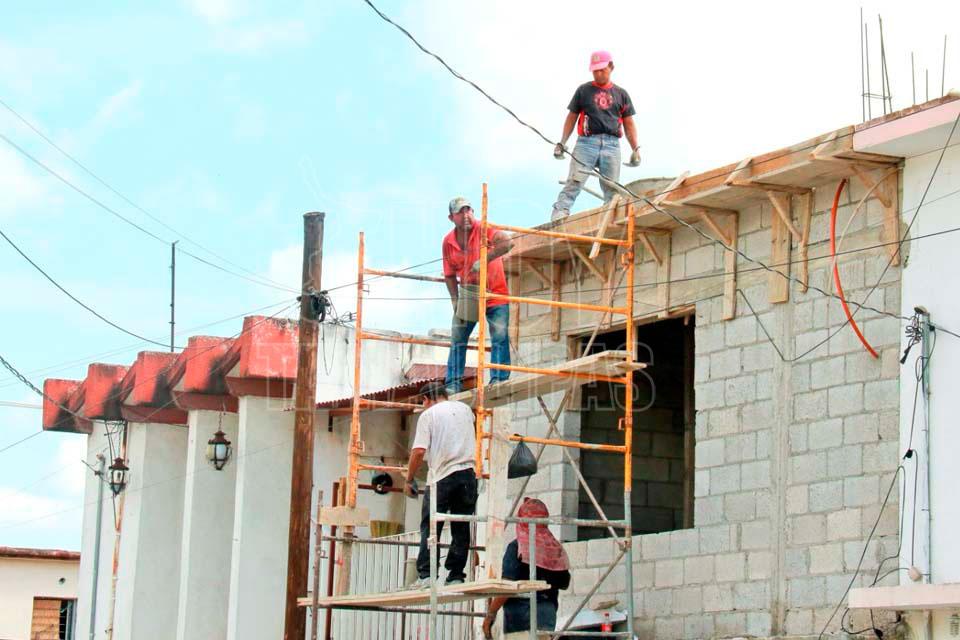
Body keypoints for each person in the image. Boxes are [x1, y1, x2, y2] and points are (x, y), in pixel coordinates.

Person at [550, 50, 641, 221]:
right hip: (586, 143)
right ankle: (560, 213)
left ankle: (609, 218)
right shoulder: (584, 91)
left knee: (612, 188)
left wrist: (635, 148)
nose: (598, 74)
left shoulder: (621, 94)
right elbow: (572, 117)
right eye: (595, 71)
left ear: (611, 67)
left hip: (612, 145)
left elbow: (628, 123)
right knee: (575, 180)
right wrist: (562, 142)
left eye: (602, 70)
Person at [404, 381, 479, 588]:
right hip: (469, 475)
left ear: (426, 399)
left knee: (431, 526)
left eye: (423, 402)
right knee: (461, 525)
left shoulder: (429, 415)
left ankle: (427, 575)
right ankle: (455, 575)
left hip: (442, 477)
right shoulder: (465, 410)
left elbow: (419, 451)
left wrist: (409, 479)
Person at [442, 195, 514, 393]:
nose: (466, 215)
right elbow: (449, 275)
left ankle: (499, 379)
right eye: (460, 212)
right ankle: (453, 383)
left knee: (499, 335)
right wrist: (455, 301)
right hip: (469, 294)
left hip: (494, 292)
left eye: (469, 210)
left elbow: (508, 243)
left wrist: (485, 259)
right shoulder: (448, 242)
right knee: (458, 336)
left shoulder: (483, 229)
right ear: (451, 218)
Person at [482, 499, 572, 639]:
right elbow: (564, 582)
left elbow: (507, 587)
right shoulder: (554, 548)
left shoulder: (517, 547)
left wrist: (490, 614)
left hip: (520, 616)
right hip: (547, 614)